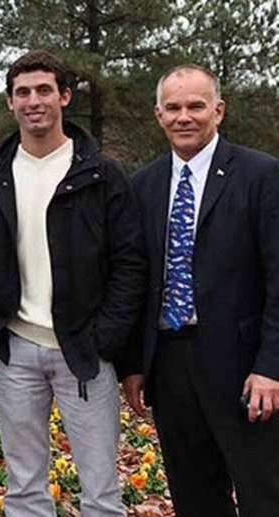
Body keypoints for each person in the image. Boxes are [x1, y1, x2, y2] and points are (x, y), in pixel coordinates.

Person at [0, 49, 145, 516]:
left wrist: (106, 338)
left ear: (64, 96)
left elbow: (130, 264)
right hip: (15, 349)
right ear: (10, 102)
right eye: (23, 92)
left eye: (44, 90)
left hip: (84, 351)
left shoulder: (101, 174)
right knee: (24, 489)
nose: (33, 101)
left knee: (101, 491)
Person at [121, 64, 279, 517]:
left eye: (196, 106)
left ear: (219, 111)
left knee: (263, 494)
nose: (184, 117)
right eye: (173, 108)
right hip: (170, 365)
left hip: (244, 368)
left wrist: (270, 367)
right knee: (195, 497)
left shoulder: (261, 175)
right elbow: (136, 278)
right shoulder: (144, 185)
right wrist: (134, 364)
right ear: (159, 115)